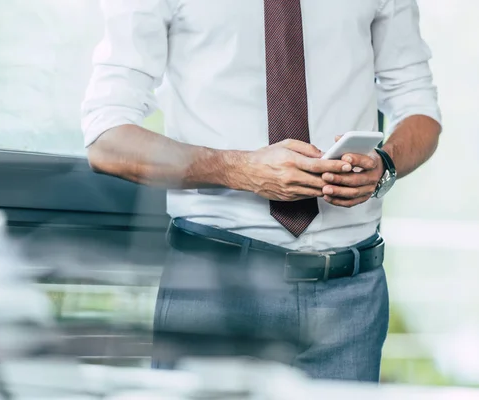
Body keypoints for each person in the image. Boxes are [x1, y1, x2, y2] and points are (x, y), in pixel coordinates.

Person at [81, 0, 442, 381]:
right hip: (215, 289)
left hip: (351, 296)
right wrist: (239, 170)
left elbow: (420, 109)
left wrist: (385, 164)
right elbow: (108, 141)